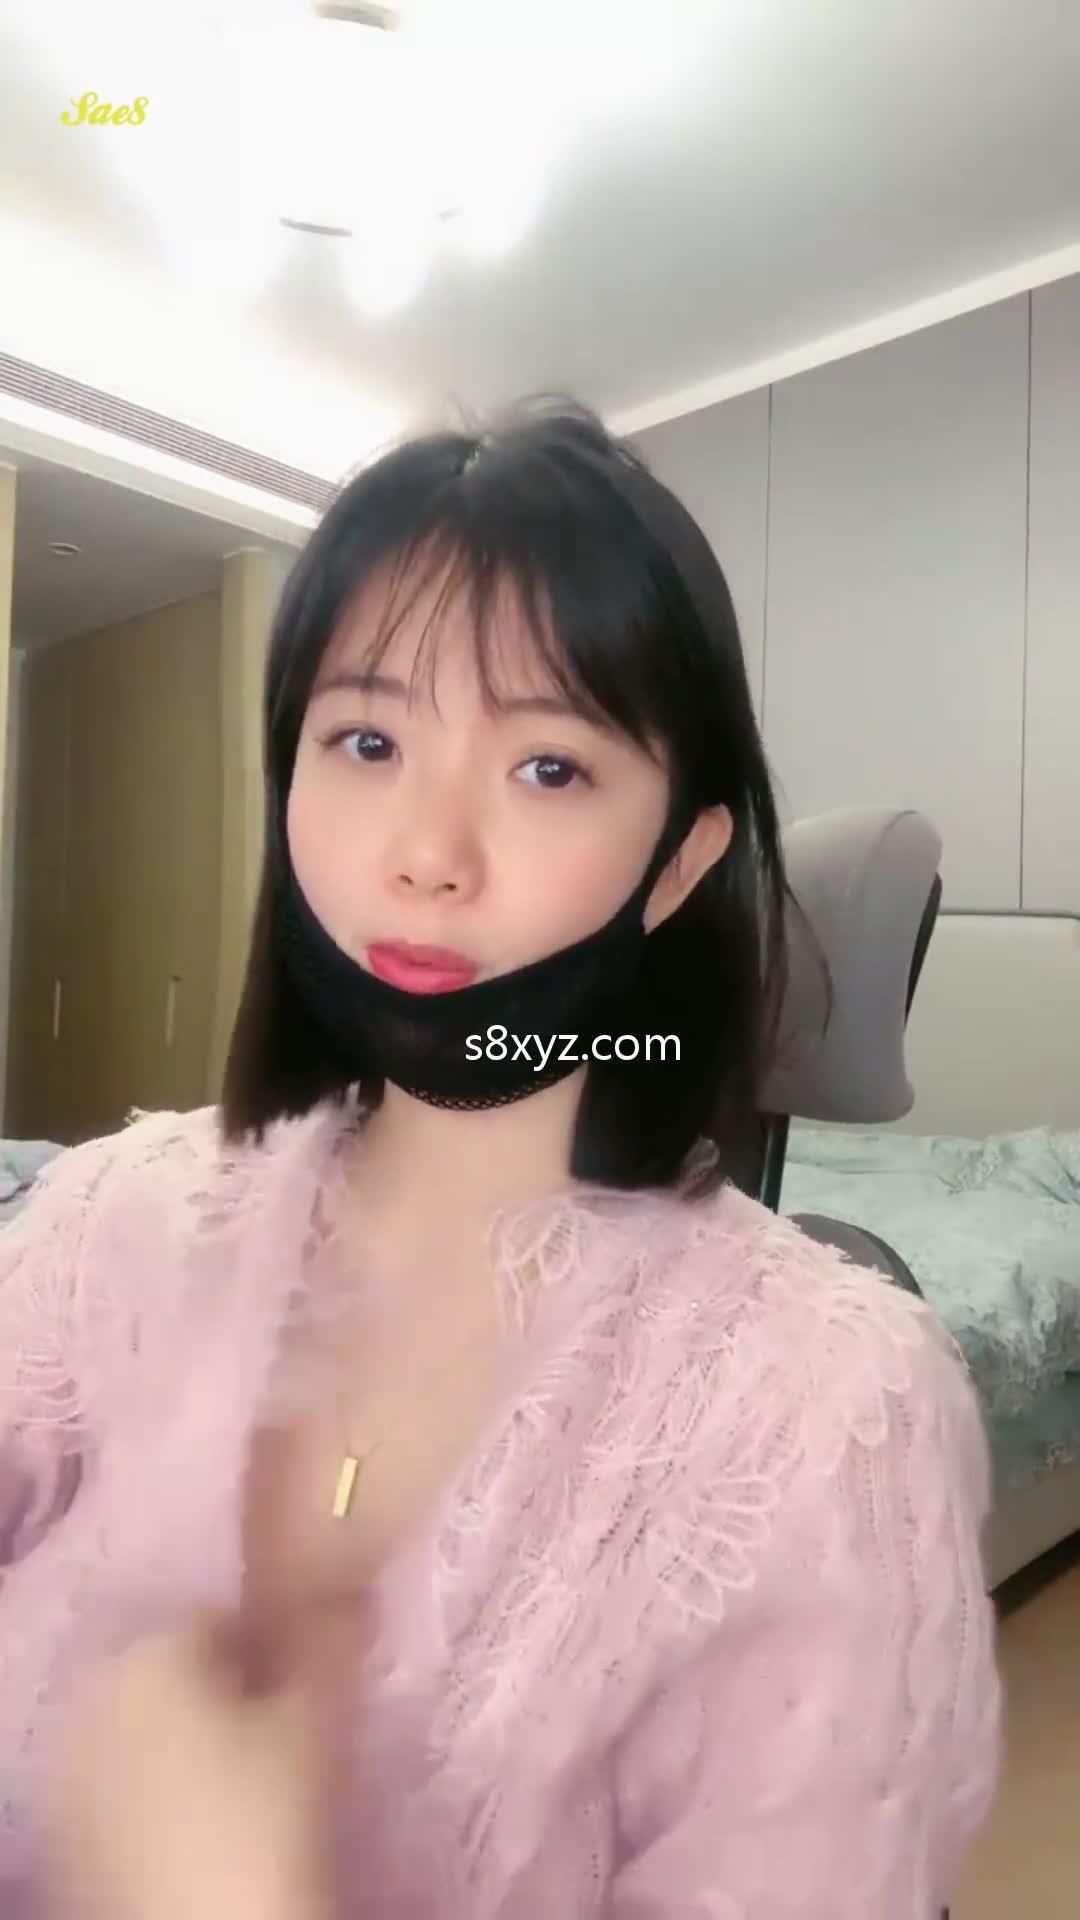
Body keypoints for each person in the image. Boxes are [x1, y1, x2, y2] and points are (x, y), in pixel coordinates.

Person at [1, 401, 999, 1919]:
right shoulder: (99, 1224)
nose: (427, 852)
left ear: (680, 861)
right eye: (368, 741)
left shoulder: (833, 1412)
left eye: (547, 769)